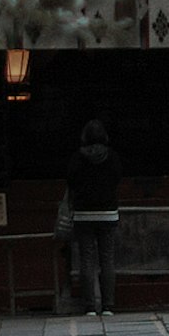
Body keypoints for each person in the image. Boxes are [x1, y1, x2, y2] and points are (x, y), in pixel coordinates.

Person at [61, 115, 122, 320]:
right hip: (108, 213)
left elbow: (71, 181)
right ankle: (108, 305)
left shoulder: (77, 158)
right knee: (107, 259)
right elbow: (117, 178)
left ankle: (89, 306)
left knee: (86, 259)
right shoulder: (112, 157)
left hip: (83, 214)